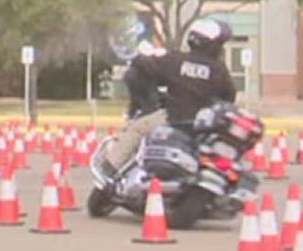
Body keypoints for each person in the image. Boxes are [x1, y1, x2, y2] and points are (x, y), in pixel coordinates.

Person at [100, 18, 237, 177]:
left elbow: (146, 66)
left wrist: (134, 55)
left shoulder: (176, 60)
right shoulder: (219, 69)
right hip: (203, 126)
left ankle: (110, 168)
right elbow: (229, 96)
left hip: (173, 119)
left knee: (136, 129)